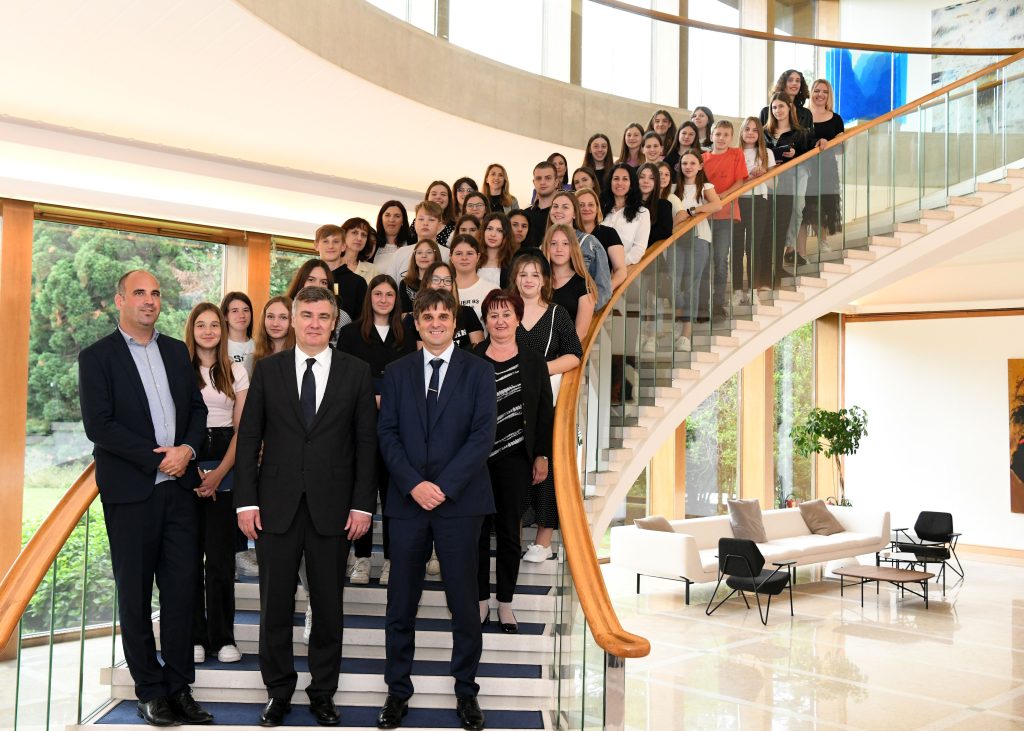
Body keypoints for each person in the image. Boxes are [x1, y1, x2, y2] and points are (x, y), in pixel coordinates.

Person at [234, 285, 377, 728]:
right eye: (307, 315)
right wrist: (245, 501)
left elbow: (366, 445)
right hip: (274, 507)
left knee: (329, 607)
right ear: (293, 320)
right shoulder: (268, 370)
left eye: (323, 316)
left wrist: (363, 506)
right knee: (275, 606)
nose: (315, 324)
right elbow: (249, 438)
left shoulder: (356, 371)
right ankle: (278, 692)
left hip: (333, 508)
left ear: (334, 323)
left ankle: (323, 693)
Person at [78, 269, 212, 727]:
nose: (149, 300)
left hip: (179, 492)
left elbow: (196, 410)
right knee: (134, 596)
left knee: (181, 593)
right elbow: (99, 425)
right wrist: (159, 458)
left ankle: (179, 687)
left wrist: (187, 450)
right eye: (139, 293)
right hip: (132, 494)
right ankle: (150, 690)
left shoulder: (175, 351)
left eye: (155, 293)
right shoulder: (97, 357)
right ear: (120, 300)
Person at [376, 288, 496, 731]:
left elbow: (482, 436)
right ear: (417, 322)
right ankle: (397, 693)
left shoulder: (479, 371)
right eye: (428, 317)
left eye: (444, 316)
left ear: (454, 322)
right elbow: (387, 434)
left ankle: (466, 692)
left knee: (464, 604)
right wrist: (414, 484)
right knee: (400, 605)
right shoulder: (396, 372)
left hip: (460, 503)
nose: (436, 323)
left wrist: (442, 487)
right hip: (408, 503)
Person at [472, 290, 553, 634]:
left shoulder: (533, 361)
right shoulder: (472, 358)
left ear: (518, 318)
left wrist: (542, 454)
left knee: (509, 534)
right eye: (493, 315)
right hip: (475, 461)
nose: (500, 321)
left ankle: (505, 602)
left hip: (516, 459)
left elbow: (545, 412)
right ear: (485, 321)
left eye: (506, 314)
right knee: (476, 533)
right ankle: (479, 601)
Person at [336, 275, 417, 586]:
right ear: (369, 298)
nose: (384, 300)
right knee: (363, 491)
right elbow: (344, 376)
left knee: (393, 495)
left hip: (398, 426)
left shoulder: (406, 333)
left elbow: (411, 377)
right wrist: (372, 395)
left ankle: (392, 561)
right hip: (359, 423)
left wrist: (386, 397)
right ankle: (362, 558)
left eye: (389, 295)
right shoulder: (350, 333)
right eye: (378, 294)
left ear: (397, 300)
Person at [184, 302, 248, 667]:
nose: (208, 331)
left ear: (222, 331)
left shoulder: (236, 371)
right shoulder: (179, 370)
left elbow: (243, 430)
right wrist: (193, 471)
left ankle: (224, 637)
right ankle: (195, 635)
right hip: (187, 465)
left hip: (225, 462)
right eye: (201, 325)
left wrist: (220, 473)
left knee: (221, 560)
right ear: (191, 330)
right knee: (189, 558)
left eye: (214, 325)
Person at [509, 253, 582, 564]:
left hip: (546, 404)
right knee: (513, 466)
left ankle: (543, 540)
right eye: (523, 274)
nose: (529, 280)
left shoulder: (556, 314)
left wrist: (539, 371)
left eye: (535, 274)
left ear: (544, 281)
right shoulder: (507, 312)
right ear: (515, 279)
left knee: (547, 466)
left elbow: (574, 354)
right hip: (510, 402)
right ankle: (511, 534)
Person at [671, 151, 722, 351]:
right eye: (685, 163)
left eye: (693, 163)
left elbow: (717, 204)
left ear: (700, 166)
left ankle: (686, 333)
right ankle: (680, 316)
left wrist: (693, 211)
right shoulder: (673, 188)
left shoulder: (706, 186)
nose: (688, 167)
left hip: (699, 237)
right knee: (673, 283)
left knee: (692, 285)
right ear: (680, 166)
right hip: (675, 239)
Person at [702, 120, 749, 317]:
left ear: (731, 138)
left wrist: (722, 196)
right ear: (711, 136)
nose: (721, 138)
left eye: (726, 135)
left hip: (726, 214)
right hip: (704, 217)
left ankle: (718, 302)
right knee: (704, 261)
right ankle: (703, 303)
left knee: (721, 259)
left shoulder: (736, 154)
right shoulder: (702, 158)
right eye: (718, 134)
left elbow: (740, 181)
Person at [764, 91, 814, 269]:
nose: (777, 110)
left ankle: (789, 247)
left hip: (796, 172)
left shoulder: (801, 132)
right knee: (771, 212)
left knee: (797, 208)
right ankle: (773, 251)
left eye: (781, 106)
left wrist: (795, 154)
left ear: (789, 107)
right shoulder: (765, 132)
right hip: (772, 176)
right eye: (774, 107)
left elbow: (810, 155)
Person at [799, 78, 845, 257]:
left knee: (823, 207)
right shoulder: (802, 116)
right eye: (817, 90)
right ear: (811, 93)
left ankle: (823, 242)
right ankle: (800, 253)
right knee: (805, 209)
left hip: (827, 169)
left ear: (829, 95)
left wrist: (834, 142)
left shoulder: (836, 119)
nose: (821, 95)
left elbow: (841, 149)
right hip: (804, 167)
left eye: (825, 92)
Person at [545, 190, 612, 309]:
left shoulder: (590, 243)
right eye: (555, 206)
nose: (558, 210)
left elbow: (604, 288)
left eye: (565, 207)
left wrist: (585, 312)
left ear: (575, 214)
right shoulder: (544, 245)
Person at [735, 117, 777, 302]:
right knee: (737, 247)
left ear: (760, 133)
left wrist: (764, 174)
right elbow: (733, 183)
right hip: (737, 202)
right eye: (747, 129)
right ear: (741, 132)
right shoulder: (734, 153)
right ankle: (737, 290)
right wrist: (751, 176)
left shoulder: (767, 153)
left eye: (754, 130)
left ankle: (753, 291)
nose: (750, 133)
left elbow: (774, 184)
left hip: (759, 201)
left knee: (753, 246)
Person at [403, 261, 484, 350]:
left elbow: (478, 351)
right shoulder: (416, 317)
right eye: (436, 279)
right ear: (426, 283)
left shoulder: (467, 312)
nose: (442, 284)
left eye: (447, 280)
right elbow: (421, 355)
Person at [543, 223, 597, 341]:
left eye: (565, 244)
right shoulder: (538, 280)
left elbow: (581, 332)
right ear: (547, 247)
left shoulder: (584, 284)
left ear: (573, 247)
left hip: (566, 349)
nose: (559, 249)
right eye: (553, 243)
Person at [285, 258, 353, 347]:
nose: (317, 286)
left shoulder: (342, 317)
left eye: (323, 282)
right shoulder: (283, 310)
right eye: (311, 280)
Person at [314, 224, 368, 323]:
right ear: (316, 245)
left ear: (343, 246)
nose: (331, 246)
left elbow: (362, 321)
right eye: (325, 241)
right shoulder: (307, 278)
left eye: (336, 241)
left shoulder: (358, 282)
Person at [576, 187, 627, 290]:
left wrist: (606, 290)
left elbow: (621, 270)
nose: (586, 208)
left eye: (591, 205)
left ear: (597, 208)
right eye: (581, 205)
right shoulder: (568, 234)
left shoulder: (609, 233)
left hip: (599, 293)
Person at [601, 163, 651, 266]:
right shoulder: (601, 209)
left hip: (624, 270)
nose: (620, 183)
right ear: (610, 182)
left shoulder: (642, 213)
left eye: (625, 179)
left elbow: (638, 250)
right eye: (616, 179)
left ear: (631, 184)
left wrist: (617, 266)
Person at [388, 201, 448, 282]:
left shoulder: (448, 255)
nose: (425, 223)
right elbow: (389, 285)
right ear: (415, 223)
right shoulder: (400, 253)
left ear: (440, 226)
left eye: (431, 219)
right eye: (421, 219)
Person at [449, 234, 498, 324]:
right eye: (458, 253)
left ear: (478, 257)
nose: (464, 258)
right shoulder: (444, 290)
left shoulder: (492, 290)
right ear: (451, 257)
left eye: (470, 253)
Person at [399, 239, 443, 314]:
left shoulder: (443, 282)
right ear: (414, 256)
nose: (424, 256)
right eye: (419, 252)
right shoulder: (405, 283)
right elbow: (403, 314)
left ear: (436, 256)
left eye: (429, 252)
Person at [636, 162, 674, 246]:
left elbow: (665, 232)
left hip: (649, 252)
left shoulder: (663, 205)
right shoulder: (628, 204)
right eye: (642, 177)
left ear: (656, 182)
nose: (646, 181)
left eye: (651, 178)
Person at [524, 161, 559, 248]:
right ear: (534, 182)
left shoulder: (563, 214)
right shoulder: (525, 215)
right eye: (538, 178)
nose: (542, 182)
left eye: (548, 178)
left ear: (556, 182)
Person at [478, 211, 516, 287]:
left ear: (506, 235)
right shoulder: (474, 258)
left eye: (499, 231)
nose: (493, 234)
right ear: (483, 231)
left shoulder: (512, 263)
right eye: (489, 229)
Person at [220, 292, 254, 377]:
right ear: (225, 316)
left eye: (246, 310)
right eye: (235, 311)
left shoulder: (260, 346)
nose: (242, 315)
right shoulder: (219, 347)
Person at [374, 200, 414, 273]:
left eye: (397, 216)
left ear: (403, 221)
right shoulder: (373, 243)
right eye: (387, 215)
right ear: (381, 219)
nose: (391, 220)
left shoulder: (413, 243)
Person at [253, 296, 295, 364]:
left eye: (283, 317)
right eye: (270, 316)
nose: (275, 324)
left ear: (293, 320)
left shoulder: (302, 356)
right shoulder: (252, 358)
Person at [338, 217, 380, 284]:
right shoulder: (331, 264)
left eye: (363, 235)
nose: (359, 238)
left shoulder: (373, 270)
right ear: (344, 235)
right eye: (354, 233)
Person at [425, 180, 457, 246]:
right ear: (427, 197)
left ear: (449, 199)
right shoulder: (417, 221)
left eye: (443, 194)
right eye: (434, 194)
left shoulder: (455, 226)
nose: (438, 197)